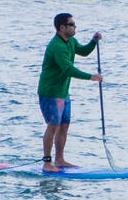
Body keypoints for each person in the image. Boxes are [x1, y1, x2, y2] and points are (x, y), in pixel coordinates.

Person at [38, 13, 102, 170]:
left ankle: (59, 160)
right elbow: (68, 69)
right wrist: (91, 77)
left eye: (74, 24)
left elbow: (84, 51)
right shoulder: (57, 47)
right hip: (51, 92)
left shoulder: (71, 41)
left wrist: (93, 42)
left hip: (63, 92)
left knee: (64, 125)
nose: (75, 27)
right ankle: (47, 163)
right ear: (62, 27)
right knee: (53, 125)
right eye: (72, 24)